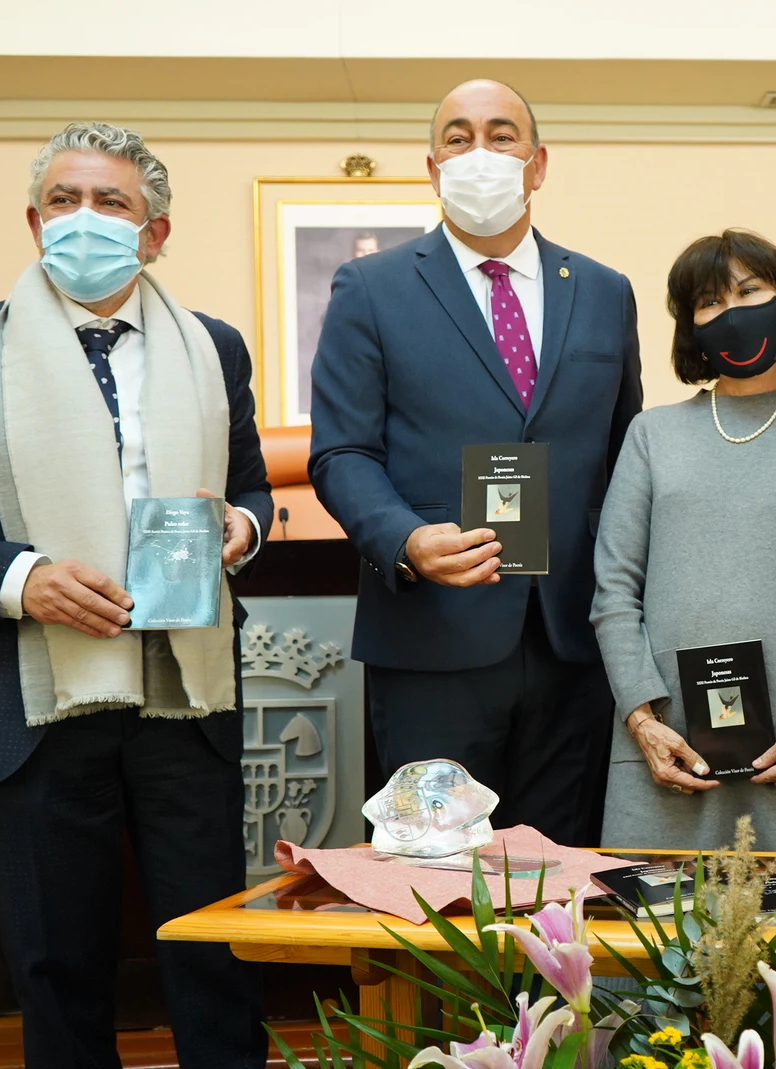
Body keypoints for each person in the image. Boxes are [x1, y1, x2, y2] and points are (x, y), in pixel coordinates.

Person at [0, 121, 271, 1068]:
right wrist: (22, 579)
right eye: (65, 201)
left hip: (184, 701)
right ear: (35, 220)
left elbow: (247, 490)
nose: (85, 221)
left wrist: (241, 531)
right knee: (58, 967)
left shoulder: (215, 348)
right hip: (29, 705)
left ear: (156, 231)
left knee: (215, 960)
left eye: (113, 203)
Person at [308, 80, 642, 847]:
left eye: (501, 134)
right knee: (436, 884)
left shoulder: (602, 291)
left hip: (572, 642)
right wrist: (403, 538)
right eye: (458, 139)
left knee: (556, 876)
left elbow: (625, 458)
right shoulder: (372, 287)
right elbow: (342, 451)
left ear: (538, 162)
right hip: (433, 638)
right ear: (432, 168)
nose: (480, 153)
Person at [591, 230, 776, 854]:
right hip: (671, 746)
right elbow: (614, 592)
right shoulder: (651, 435)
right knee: (659, 943)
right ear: (690, 324)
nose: (732, 312)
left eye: (750, 290)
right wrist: (643, 722)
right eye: (709, 301)